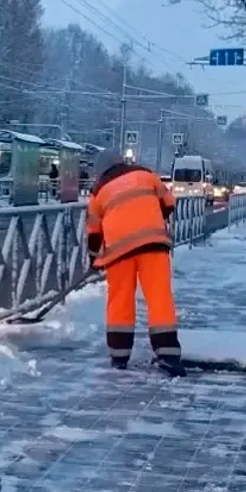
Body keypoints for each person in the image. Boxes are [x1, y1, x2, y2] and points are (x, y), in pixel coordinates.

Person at [86, 149, 185, 377]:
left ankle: (119, 356)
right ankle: (168, 355)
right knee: (159, 297)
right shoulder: (146, 175)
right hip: (153, 245)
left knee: (120, 300)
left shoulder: (98, 191)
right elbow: (169, 203)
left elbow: (94, 232)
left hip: (119, 252)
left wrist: (93, 259)